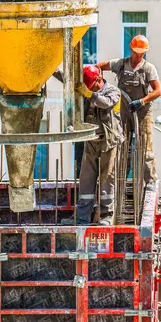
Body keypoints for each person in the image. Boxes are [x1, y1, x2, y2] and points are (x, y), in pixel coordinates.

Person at [54, 65, 123, 226]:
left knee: (107, 178)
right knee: (86, 179)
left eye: (91, 86)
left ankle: (106, 216)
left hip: (109, 141)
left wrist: (89, 94)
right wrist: (51, 68)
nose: (88, 89)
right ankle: (82, 217)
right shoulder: (88, 89)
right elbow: (68, 81)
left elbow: (105, 103)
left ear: (99, 80)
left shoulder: (113, 91)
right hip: (91, 141)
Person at [97, 35, 161, 190]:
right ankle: (120, 179)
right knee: (122, 145)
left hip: (142, 112)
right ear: (131, 49)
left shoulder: (148, 69)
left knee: (145, 148)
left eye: (142, 53)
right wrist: (101, 85)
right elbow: (98, 67)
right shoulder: (120, 64)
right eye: (136, 52)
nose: (139, 55)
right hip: (124, 111)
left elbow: (158, 91)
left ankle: (150, 181)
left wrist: (142, 101)